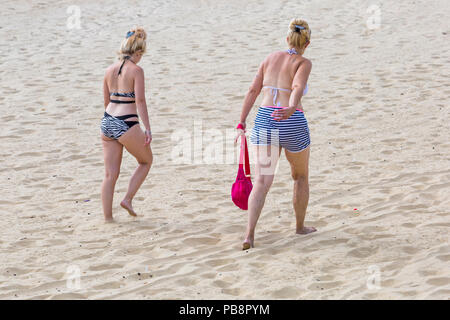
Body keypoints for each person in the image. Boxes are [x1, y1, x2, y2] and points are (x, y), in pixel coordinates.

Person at [236, 19, 317, 249]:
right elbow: (297, 88)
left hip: (265, 119)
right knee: (300, 176)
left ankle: (249, 235)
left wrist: (241, 121)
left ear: (287, 39)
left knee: (262, 181)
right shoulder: (303, 62)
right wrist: (291, 107)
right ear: (307, 43)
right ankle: (300, 227)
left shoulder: (269, 58)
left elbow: (253, 90)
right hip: (291, 120)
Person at [100, 27, 153, 222]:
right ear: (137, 52)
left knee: (109, 174)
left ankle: (108, 218)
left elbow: (106, 101)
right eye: (141, 54)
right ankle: (127, 199)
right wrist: (147, 128)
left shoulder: (109, 70)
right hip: (126, 122)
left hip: (107, 121)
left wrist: (112, 124)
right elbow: (140, 101)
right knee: (146, 161)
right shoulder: (137, 70)